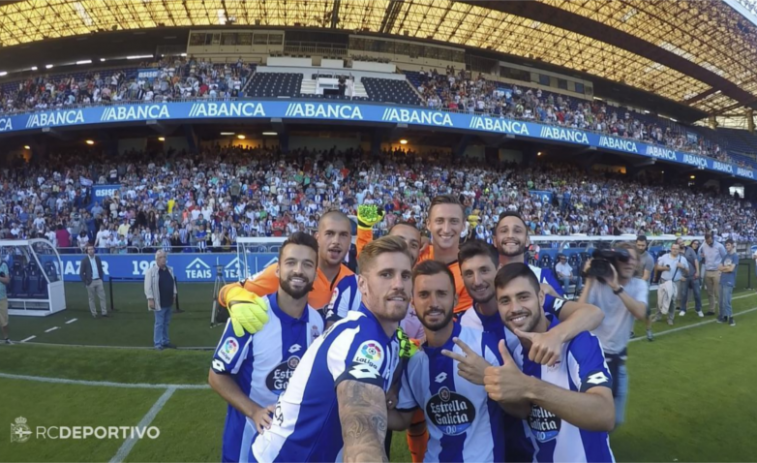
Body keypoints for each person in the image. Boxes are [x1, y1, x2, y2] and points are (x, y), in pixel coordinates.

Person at [250, 236, 412, 462]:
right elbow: (362, 434)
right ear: (363, 285)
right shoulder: (362, 340)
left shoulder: (391, 340)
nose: (398, 284)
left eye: (406, 275)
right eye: (386, 274)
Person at [456, 239, 604, 461]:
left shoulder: (573, 337)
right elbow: (524, 408)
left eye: (484, 270)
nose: (477, 280)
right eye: (468, 273)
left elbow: (594, 313)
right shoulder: (467, 327)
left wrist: (556, 335)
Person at [208, 233, 324, 463]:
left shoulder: (317, 323)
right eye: (291, 262)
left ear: (315, 273)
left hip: (291, 446)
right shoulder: (251, 315)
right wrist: (254, 411)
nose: (299, 270)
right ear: (278, 270)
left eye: (307, 264)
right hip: (245, 440)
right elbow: (216, 376)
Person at [484, 263, 616, 462]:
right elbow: (525, 412)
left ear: (540, 298)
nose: (515, 308)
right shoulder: (514, 355)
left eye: (523, 297)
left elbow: (605, 414)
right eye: (505, 300)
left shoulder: (578, 342)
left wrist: (531, 388)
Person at [387, 260, 505, 462]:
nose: (433, 303)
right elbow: (401, 420)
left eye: (441, 294)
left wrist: (491, 378)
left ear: (455, 300)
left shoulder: (485, 345)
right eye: (424, 295)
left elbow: (520, 405)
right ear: (412, 303)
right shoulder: (414, 362)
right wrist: (368, 401)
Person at [217, 211, 355, 337]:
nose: (336, 241)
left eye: (343, 235)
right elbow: (227, 290)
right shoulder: (291, 273)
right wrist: (235, 296)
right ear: (317, 238)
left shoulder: (352, 281)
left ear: (350, 240)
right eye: (330, 234)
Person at [356, 197, 473, 315]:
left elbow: (452, 323)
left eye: (453, 221)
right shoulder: (419, 253)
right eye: (439, 221)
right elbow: (371, 261)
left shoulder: (471, 273)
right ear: (428, 224)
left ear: (463, 226)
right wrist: (364, 228)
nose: (446, 229)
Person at [579, 242, 647, 426]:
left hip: (618, 361)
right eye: (624, 258)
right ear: (615, 260)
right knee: (592, 416)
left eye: (633, 258)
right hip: (595, 361)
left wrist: (617, 287)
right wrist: (590, 279)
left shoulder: (639, 285)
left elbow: (640, 313)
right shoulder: (599, 285)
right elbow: (579, 313)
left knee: (616, 419)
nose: (629, 262)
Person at [493, 212, 563, 298]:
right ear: (495, 241)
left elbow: (570, 310)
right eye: (504, 231)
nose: (510, 235)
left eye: (517, 231)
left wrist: (552, 293)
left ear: (527, 241)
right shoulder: (483, 278)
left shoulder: (543, 276)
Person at [144, 250, 177, 350]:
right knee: (159, 323)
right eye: (161, 257)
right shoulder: (151, 271)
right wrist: (150, 299)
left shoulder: (170, 269)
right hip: (159, 302)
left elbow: (173, 283)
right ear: (157, 259)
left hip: (168, 301)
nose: (163, 259)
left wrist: (174, 295)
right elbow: (147, 286)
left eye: (164, 257)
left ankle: (165, 341)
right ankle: (157, 343)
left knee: (166, 323)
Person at [651, 243, 690, 326]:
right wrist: (664, 268)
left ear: (679, 250)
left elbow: (687, 271)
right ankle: (658, 316)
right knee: (660, 299)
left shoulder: (682, 259)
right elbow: (657, 267)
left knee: (672, 301)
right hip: (664, 280)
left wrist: (682, 267)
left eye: (676, 249)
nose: (675, 250)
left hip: (675, 282)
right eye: (673, 248)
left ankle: (670, 318)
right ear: (671, 249)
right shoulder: (664, 257)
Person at [699, 232, 726, 316]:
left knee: (717, 292)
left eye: (709, 241)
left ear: (712, 238)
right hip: (707, 270)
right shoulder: (703, 246)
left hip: (717, 271)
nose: (708, 242)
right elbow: (699, 255)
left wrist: (722, 269)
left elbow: (725, 257)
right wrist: (701, 256)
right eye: (707, 241)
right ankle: (711, 309)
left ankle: (722, 310)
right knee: (709, 292)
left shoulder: (720, 246)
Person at [79, 244, 109, 318]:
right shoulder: (84, 260)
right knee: (91, 298)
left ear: (94, 250)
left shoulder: (98, 258)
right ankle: (94, 313)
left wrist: (101, 279)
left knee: (103, 297)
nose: (91, 251)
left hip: (98, 280)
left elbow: (100, 269)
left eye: (92, 249)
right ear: (87, 251)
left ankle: (104, 312)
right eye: (89, 249)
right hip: (90, 282)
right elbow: (81, 273)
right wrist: (86, 282)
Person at [636, 236, 656, 341]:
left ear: (646, 245)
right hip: (631, 285)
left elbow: (646, 276)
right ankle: (629, 331)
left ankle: (649, 330)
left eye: (643, 245)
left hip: (642, 286)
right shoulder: (631, 256)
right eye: (639, 245)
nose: (640, 247)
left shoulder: (649, 258)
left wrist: (636, 286)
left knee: (646, 312)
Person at [678, 238, 703, 317]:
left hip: (693, 275)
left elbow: (695, 260)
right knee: (683, 294)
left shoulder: (690, 249)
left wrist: (698, 271)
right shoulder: (677, 252)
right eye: (680, 242)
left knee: (697, 293)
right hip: (684, 276)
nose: (682, 243)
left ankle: (698, 309)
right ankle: (683, 309)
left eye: (682, 241)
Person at [717, 239, 738, 326]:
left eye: (728, 245)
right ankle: (724, 316)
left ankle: (731, 318)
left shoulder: (735, 256)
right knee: (721, 301)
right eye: (726, 245)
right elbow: (719, 267)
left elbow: (731, 269)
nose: (727, 247)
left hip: (729, 281)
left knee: (727, 300)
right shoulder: (725, 256)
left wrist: (724, 268)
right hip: (722, 280)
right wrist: (726, 268)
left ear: (732, 245)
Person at [0, 257, 10, 343]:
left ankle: (6, 338)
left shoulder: (3, 266)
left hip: (2, 297)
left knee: (5, 321)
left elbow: (7, 280)